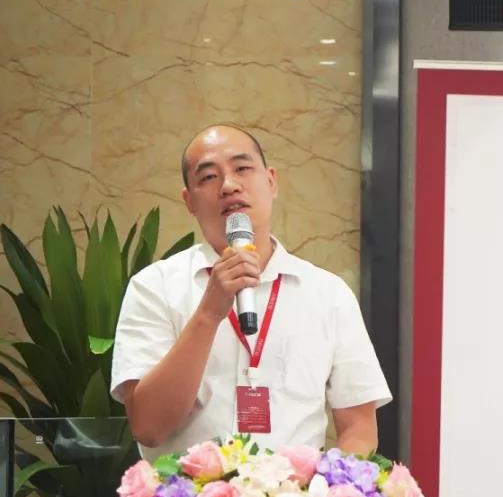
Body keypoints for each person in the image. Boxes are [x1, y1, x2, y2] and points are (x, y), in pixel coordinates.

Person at [110, 124, 391, 459]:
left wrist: (324, 487)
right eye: (208, 177)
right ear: (189, 201)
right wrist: (209, 313)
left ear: (271, 182)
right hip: (186, 493)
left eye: (242, 168)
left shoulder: (329, 294)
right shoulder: (154, 287)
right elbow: (148, 427)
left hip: (294, 494)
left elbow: (359, 429)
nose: (229, 185)